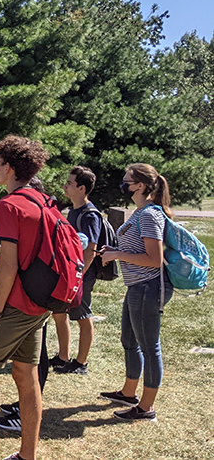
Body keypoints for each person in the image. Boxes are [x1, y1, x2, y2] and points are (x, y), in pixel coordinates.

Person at [0, 135, 52, 460]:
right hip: (42, 304)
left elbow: (6, 267)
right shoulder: (43, 200)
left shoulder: (9, 205)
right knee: (25, 373)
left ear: (8, 167)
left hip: (17, 305)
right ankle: (27, 455)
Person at [98, 163, 174, 422]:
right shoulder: (142, 213)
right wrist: (113, 248)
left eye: (127, 180)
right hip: (136, 287)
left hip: (147, 287)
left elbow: (154, 259)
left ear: (140, 186)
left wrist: (117, 254)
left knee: (149, 347)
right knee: (129, 342)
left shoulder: (150, 215)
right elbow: (137, 249)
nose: (123, 184)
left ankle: (146, 408)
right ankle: (128, 393)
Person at [53, 166, 102, 375]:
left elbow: (91, 249)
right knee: (60, 312)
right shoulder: (73, 211)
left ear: (82, 188)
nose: (65, 186)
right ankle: (63, 357)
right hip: (70, 273)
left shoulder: (90, 215)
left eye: (70, 183)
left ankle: (81, 363)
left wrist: (79, 276)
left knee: (83, 315)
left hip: (82, 274)